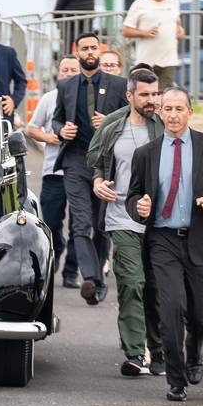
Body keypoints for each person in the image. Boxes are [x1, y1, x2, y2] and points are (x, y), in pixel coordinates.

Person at [126, 87, 203, 402]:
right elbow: (133, 197)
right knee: (171, 309)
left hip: (201, 238)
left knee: (198, 315)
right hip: (163, 240)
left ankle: (195, 353)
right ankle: (176, 381)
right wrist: (140, 206)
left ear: (190, 112)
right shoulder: (146, 154)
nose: (174, 115)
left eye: (180, 109)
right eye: (168, 109)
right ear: (160, 113)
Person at [88, 68, 165, 376]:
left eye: (155, 94)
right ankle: (134, 353)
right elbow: (94, 159)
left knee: (156, 288)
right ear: (130, 95)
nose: (152, 100)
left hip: (161, 221)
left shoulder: (165, 125)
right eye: (144, 94)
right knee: (133, 283)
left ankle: (158, 348)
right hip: (121, 217)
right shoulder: (112, 125)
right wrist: (97, 181)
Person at [48, 32, 128, 305]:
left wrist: (110, 121)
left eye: (94, 47)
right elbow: (57, 120)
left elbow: (131, 120)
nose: (90, 52)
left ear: (99, 50)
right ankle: (91, 279)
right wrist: (62, 130)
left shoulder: (118, 85)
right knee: (80, 222)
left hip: (106, 164)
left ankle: (100, 279)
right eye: (85, 48)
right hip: (75, 160)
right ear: (77, 51)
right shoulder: (66, 86)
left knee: (100, 224)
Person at [27, 54, 81, 288]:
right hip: (53, 171)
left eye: (73, 70)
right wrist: (51, 137)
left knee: (80, 225)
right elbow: (31, 128)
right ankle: (56, 248)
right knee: (50, 222)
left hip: (81, 172)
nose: (69, 74)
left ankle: (72, 271)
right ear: (59, 74)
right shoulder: (50, 98)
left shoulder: (86, 100)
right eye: (65, 70)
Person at [122, 0, 184, 89]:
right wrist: (144, 33)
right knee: (145, 94)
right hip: (146, 61)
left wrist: (179, 29)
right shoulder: (139, 4)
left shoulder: (174, 2)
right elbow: (125, 31)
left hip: (168, 60)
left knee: (165, 96)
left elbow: (177, 21)